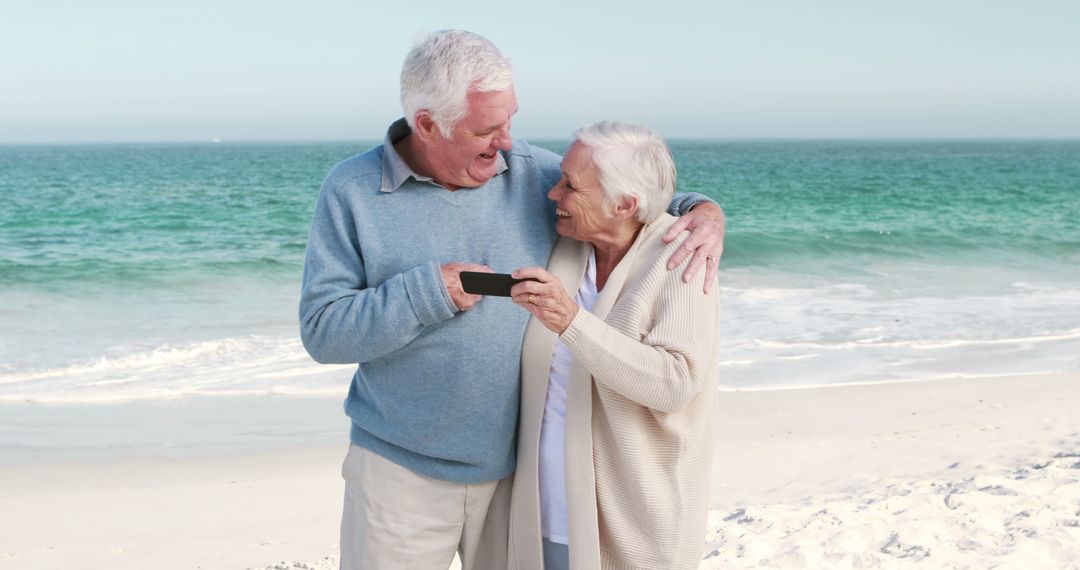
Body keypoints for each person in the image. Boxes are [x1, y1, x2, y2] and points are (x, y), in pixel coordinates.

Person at [299, 31, 724, 569]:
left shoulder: (534, 173)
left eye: (510, 120)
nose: (506, 140)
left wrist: (706, 212)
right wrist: (425, 294)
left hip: (517, 478)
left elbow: (632, 198)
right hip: (400, 471)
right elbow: (322, 330)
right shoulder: (351, 191)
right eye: (486, 128)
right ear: (427, 123)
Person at [507, 121, 721, 569]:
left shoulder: (680, 256)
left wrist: (571, 322)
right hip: (543, 511)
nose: (553, 194)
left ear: (624, 204)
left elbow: (676, 382)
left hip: (633, 522)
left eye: (570, 186)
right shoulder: (568, 249)